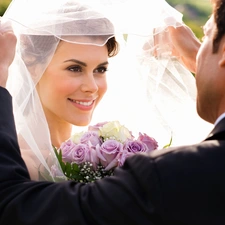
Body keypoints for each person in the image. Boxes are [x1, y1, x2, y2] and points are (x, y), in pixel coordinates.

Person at [1, 0, 225, 224]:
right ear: (30, 67)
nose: (92, 86)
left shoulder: (115, 151)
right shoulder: (19, 163)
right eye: (74, 68)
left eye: (100, 69)